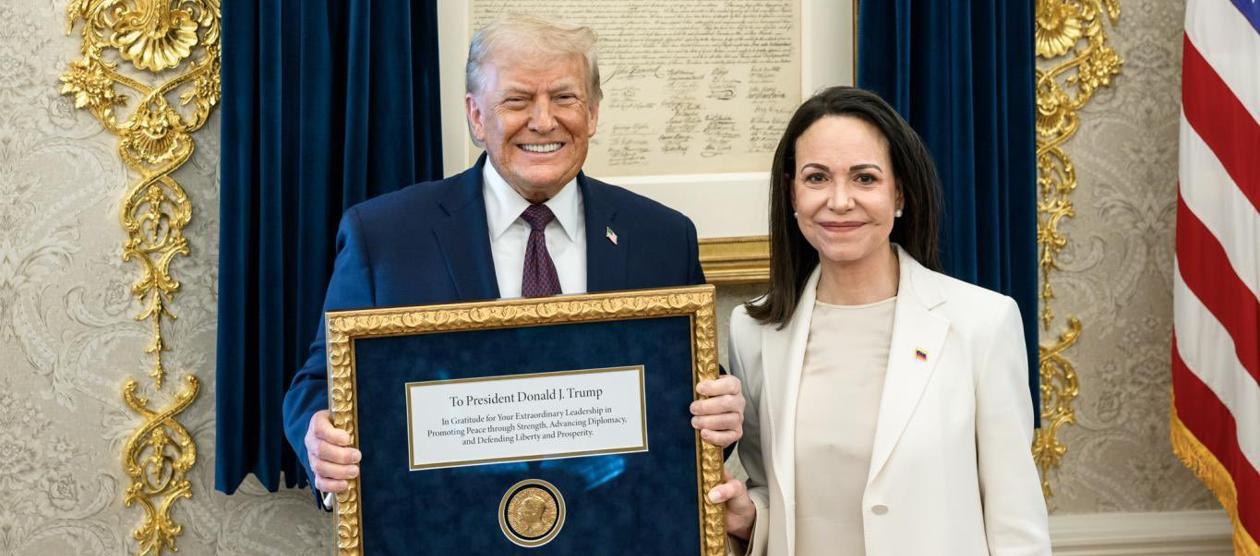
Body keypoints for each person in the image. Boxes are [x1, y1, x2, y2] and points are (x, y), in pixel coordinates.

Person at [282, 15, 744, 505]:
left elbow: (692, 393)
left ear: (592, 113)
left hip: (615, 526)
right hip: (445, 527)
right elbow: (320, 383)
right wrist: (320, 437)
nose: (543, 121)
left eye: (564, 98)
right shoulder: (385, 237)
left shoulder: (662, 237)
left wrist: (720, 416)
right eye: (517, 101)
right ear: (477, 116)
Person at [708, 87, 1050, 555]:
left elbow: (1016, 521)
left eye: (865, 178)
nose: (840, 200)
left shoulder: (983, 323)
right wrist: (750, 517)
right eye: (817, 178)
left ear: (900, 194)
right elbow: (773, 490)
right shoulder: (753, 330)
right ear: (792, 193)